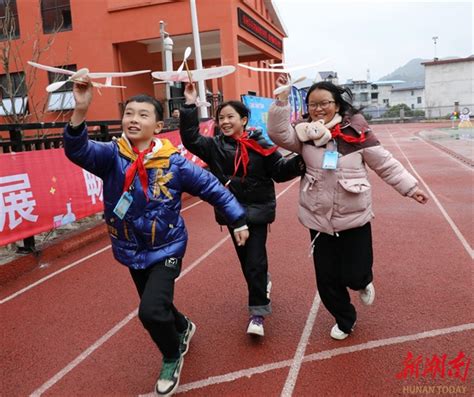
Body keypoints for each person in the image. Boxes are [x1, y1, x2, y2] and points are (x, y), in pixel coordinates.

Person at [63, 78, 249, 396]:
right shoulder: (112, 156)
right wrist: (81, 108)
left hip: (167, 247)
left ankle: (171, 355)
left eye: (143, 114)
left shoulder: (175, 163)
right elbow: (77, 149)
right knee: (157, 305)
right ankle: (183, 326)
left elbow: (212, 187)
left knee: (149, 311)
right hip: (129, 246)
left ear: (159, 125)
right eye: (129, 113)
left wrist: (239, 220)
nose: (134, 119)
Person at [267, 77, 429, 341]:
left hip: (354, 218)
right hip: (318, 220)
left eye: (324, 103)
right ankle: (345, 320)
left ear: (337, 104)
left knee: (355, 273)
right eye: (313, 104)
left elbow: (386, 164)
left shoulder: (358, 133)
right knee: (327, 280)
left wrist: (411, 188)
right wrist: (281, 101)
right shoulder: (306, 135)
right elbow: (278, 133)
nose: (319, 109)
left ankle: (363, 281)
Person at [179, 83, 305, 337]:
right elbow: (190, 138)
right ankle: (262, 284)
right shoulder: (213, 146)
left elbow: (279, 171)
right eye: (221, 118)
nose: (224, 122)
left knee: (255, 261)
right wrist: (190, 105)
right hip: (232, 213)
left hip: (258, 210)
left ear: (244, 120)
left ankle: (258, 313)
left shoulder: (261, 143)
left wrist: (302, 161)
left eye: (230, 117)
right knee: (247, 261)